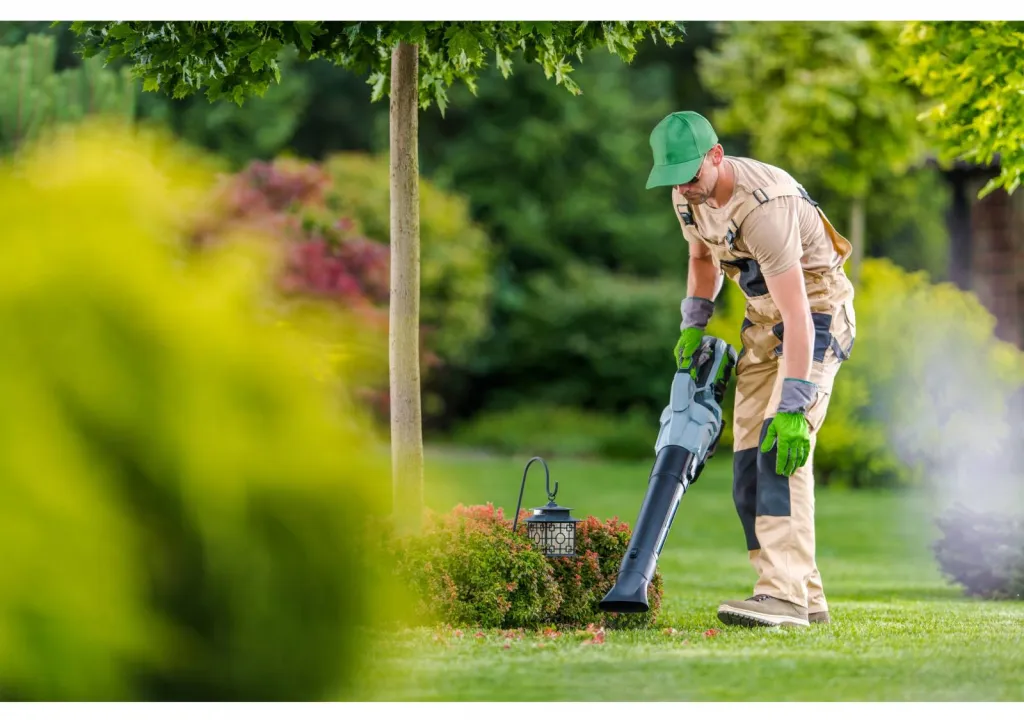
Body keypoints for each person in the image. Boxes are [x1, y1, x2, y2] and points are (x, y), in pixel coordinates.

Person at [645, 110, 857, 628]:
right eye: (674, 179)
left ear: (716, 156)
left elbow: (799, 315)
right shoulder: (686, 195)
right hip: (762, 320)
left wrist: (794, 405)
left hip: (815, 313)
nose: (684, 189)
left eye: (691, 175)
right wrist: (693, 323)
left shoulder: (765, 206)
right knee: (746, 465)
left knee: (779, 449)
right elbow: (701, 259)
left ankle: (783, 595)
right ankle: (805, 596)